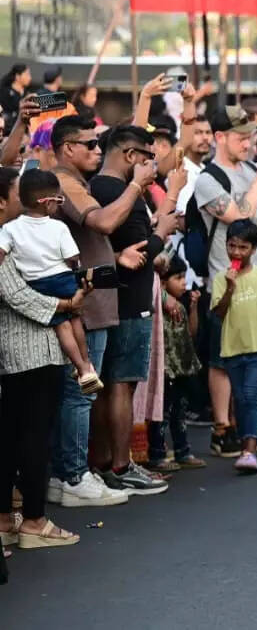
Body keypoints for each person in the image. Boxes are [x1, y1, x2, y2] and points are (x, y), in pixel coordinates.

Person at [0, 165, 93, 551]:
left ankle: (7, 518)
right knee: (33, 437)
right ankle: (35, 520)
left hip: (21, 351)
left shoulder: (13, 236)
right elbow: (15, 294)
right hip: (30, 350)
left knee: (12, 435)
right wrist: (65, 304)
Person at [47, 115, 136, 507]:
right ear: (67, 148)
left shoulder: (73, 181)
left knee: (79, 393)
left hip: (92, 305)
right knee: (79, 394)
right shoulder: (63, 182)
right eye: (90, 145)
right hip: (82, 308)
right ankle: (73, 476)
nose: (98, 151)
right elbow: (103, 221)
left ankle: (63, 475)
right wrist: (137, 185)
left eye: (100, 144)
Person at [193, 106, 257, 457]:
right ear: (220, 137)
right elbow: (239, 216)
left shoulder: (252, 168)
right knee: (223, 359)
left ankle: (249, 425)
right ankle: (222, 428)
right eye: (241, 137)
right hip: (226, 280)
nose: (248, 143)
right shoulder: (208, 179)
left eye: (250, 136)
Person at [89, 125, 178, 496]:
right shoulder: (118, 190)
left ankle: (103, 464)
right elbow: (138, 253)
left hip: (115, 300)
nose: (150, 165)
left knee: (108, 385)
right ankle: (121, 465)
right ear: (129, 156)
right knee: (121, 384)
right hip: (129, 302)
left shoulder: (100, 187)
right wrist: (165, 230)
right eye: (146, 156)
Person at [0, 170, 101, 394]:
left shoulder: (9, 229)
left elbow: (2, 252)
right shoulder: (59, 227)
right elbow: (73, 257)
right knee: (74, 320)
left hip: (37, 284)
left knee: (61, 325)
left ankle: (81, 367)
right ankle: (86, 364)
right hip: (62, 280)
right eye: (58, 201)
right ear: (47, 204)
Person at [211, 220, 257, 474]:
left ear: (253, 249)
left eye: (243, 247)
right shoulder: (221, 279)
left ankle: (249, 451)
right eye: (232, 246)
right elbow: (219, 313)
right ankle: (246, 441)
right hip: (232, 348)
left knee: (253, 397)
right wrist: (230, 288)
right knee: (241, 399)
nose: (236, 253)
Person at [146, 256, 205, 471]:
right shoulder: (158, 305)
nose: (183, 283)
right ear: (161, 282)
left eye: (183, 278)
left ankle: (183, 451)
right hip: (164, 367)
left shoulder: (179, 304)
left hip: (181, 366)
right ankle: (157, 454)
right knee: (161, 413)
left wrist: (193, 308)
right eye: (178, 278)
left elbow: (191, 332)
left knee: (180, 410)